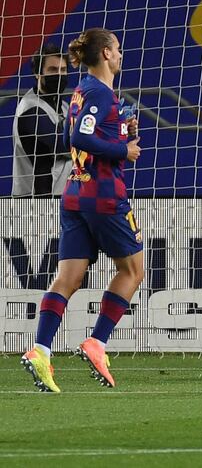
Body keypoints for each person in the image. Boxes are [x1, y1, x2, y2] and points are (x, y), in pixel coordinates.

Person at [20, 28, 144, 392]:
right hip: (103, 195)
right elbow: (77, 139)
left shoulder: (80, 93)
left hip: (75, 193)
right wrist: (124, 150)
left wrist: (120, 128)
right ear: (105, 53)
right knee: (133, 270)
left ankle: (41, 350)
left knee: (69, 279)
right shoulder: (99, 92)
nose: (121, 54)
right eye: (117, 49)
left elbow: (67, 136)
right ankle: (97, 342)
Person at [12, 44, 73, 197]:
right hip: (33, 203)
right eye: (53, 70)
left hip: (61, 199)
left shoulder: (64, 107)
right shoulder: (30, 110)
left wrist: (122, 127)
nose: (59, 75)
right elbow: (66, 146)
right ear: (37, 73)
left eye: (63, 70)